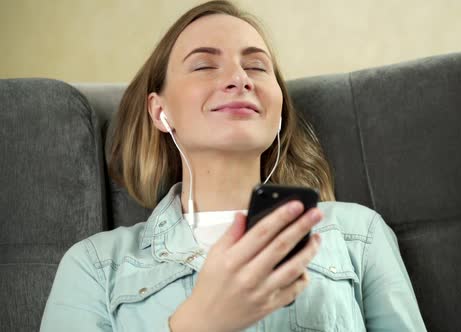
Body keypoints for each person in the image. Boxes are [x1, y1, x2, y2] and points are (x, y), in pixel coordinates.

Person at [40, 1, 427, 331]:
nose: (240, 78)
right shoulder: (93, 266)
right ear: (160, 111)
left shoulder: (357, 235)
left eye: (257, 67)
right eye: (204, 65)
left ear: (278, 111)